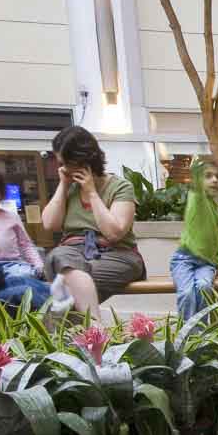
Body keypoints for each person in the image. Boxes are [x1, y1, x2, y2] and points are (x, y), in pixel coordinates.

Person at [40, 125, 145, 320]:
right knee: (59, 256)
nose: (63, 169)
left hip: (116, 255)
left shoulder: (120, 187)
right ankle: (96, 329)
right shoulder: (69, 189)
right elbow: (49, 224)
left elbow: (114, 233)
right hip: (71, 254)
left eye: (67, 163)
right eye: (61, 163)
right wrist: (63, 185)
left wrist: (91, 192)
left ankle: (92, 331)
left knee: (66, 287)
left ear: (85, 161)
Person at [171, 158, 218, 320]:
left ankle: (202, 331)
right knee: (187, 293)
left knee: (204, 287)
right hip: (184, 260)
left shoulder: (217, 209)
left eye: (217, 177)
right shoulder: (196, 199)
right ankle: (188, 332)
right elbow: (197, 188)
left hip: (206, 264)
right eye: (208, 176)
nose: (215, 180)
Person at [0, 168, 45, 289]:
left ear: (2, 195)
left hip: (13, 264)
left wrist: (39, 265)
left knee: (27, 276)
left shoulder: (12, 217)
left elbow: (26, 244)